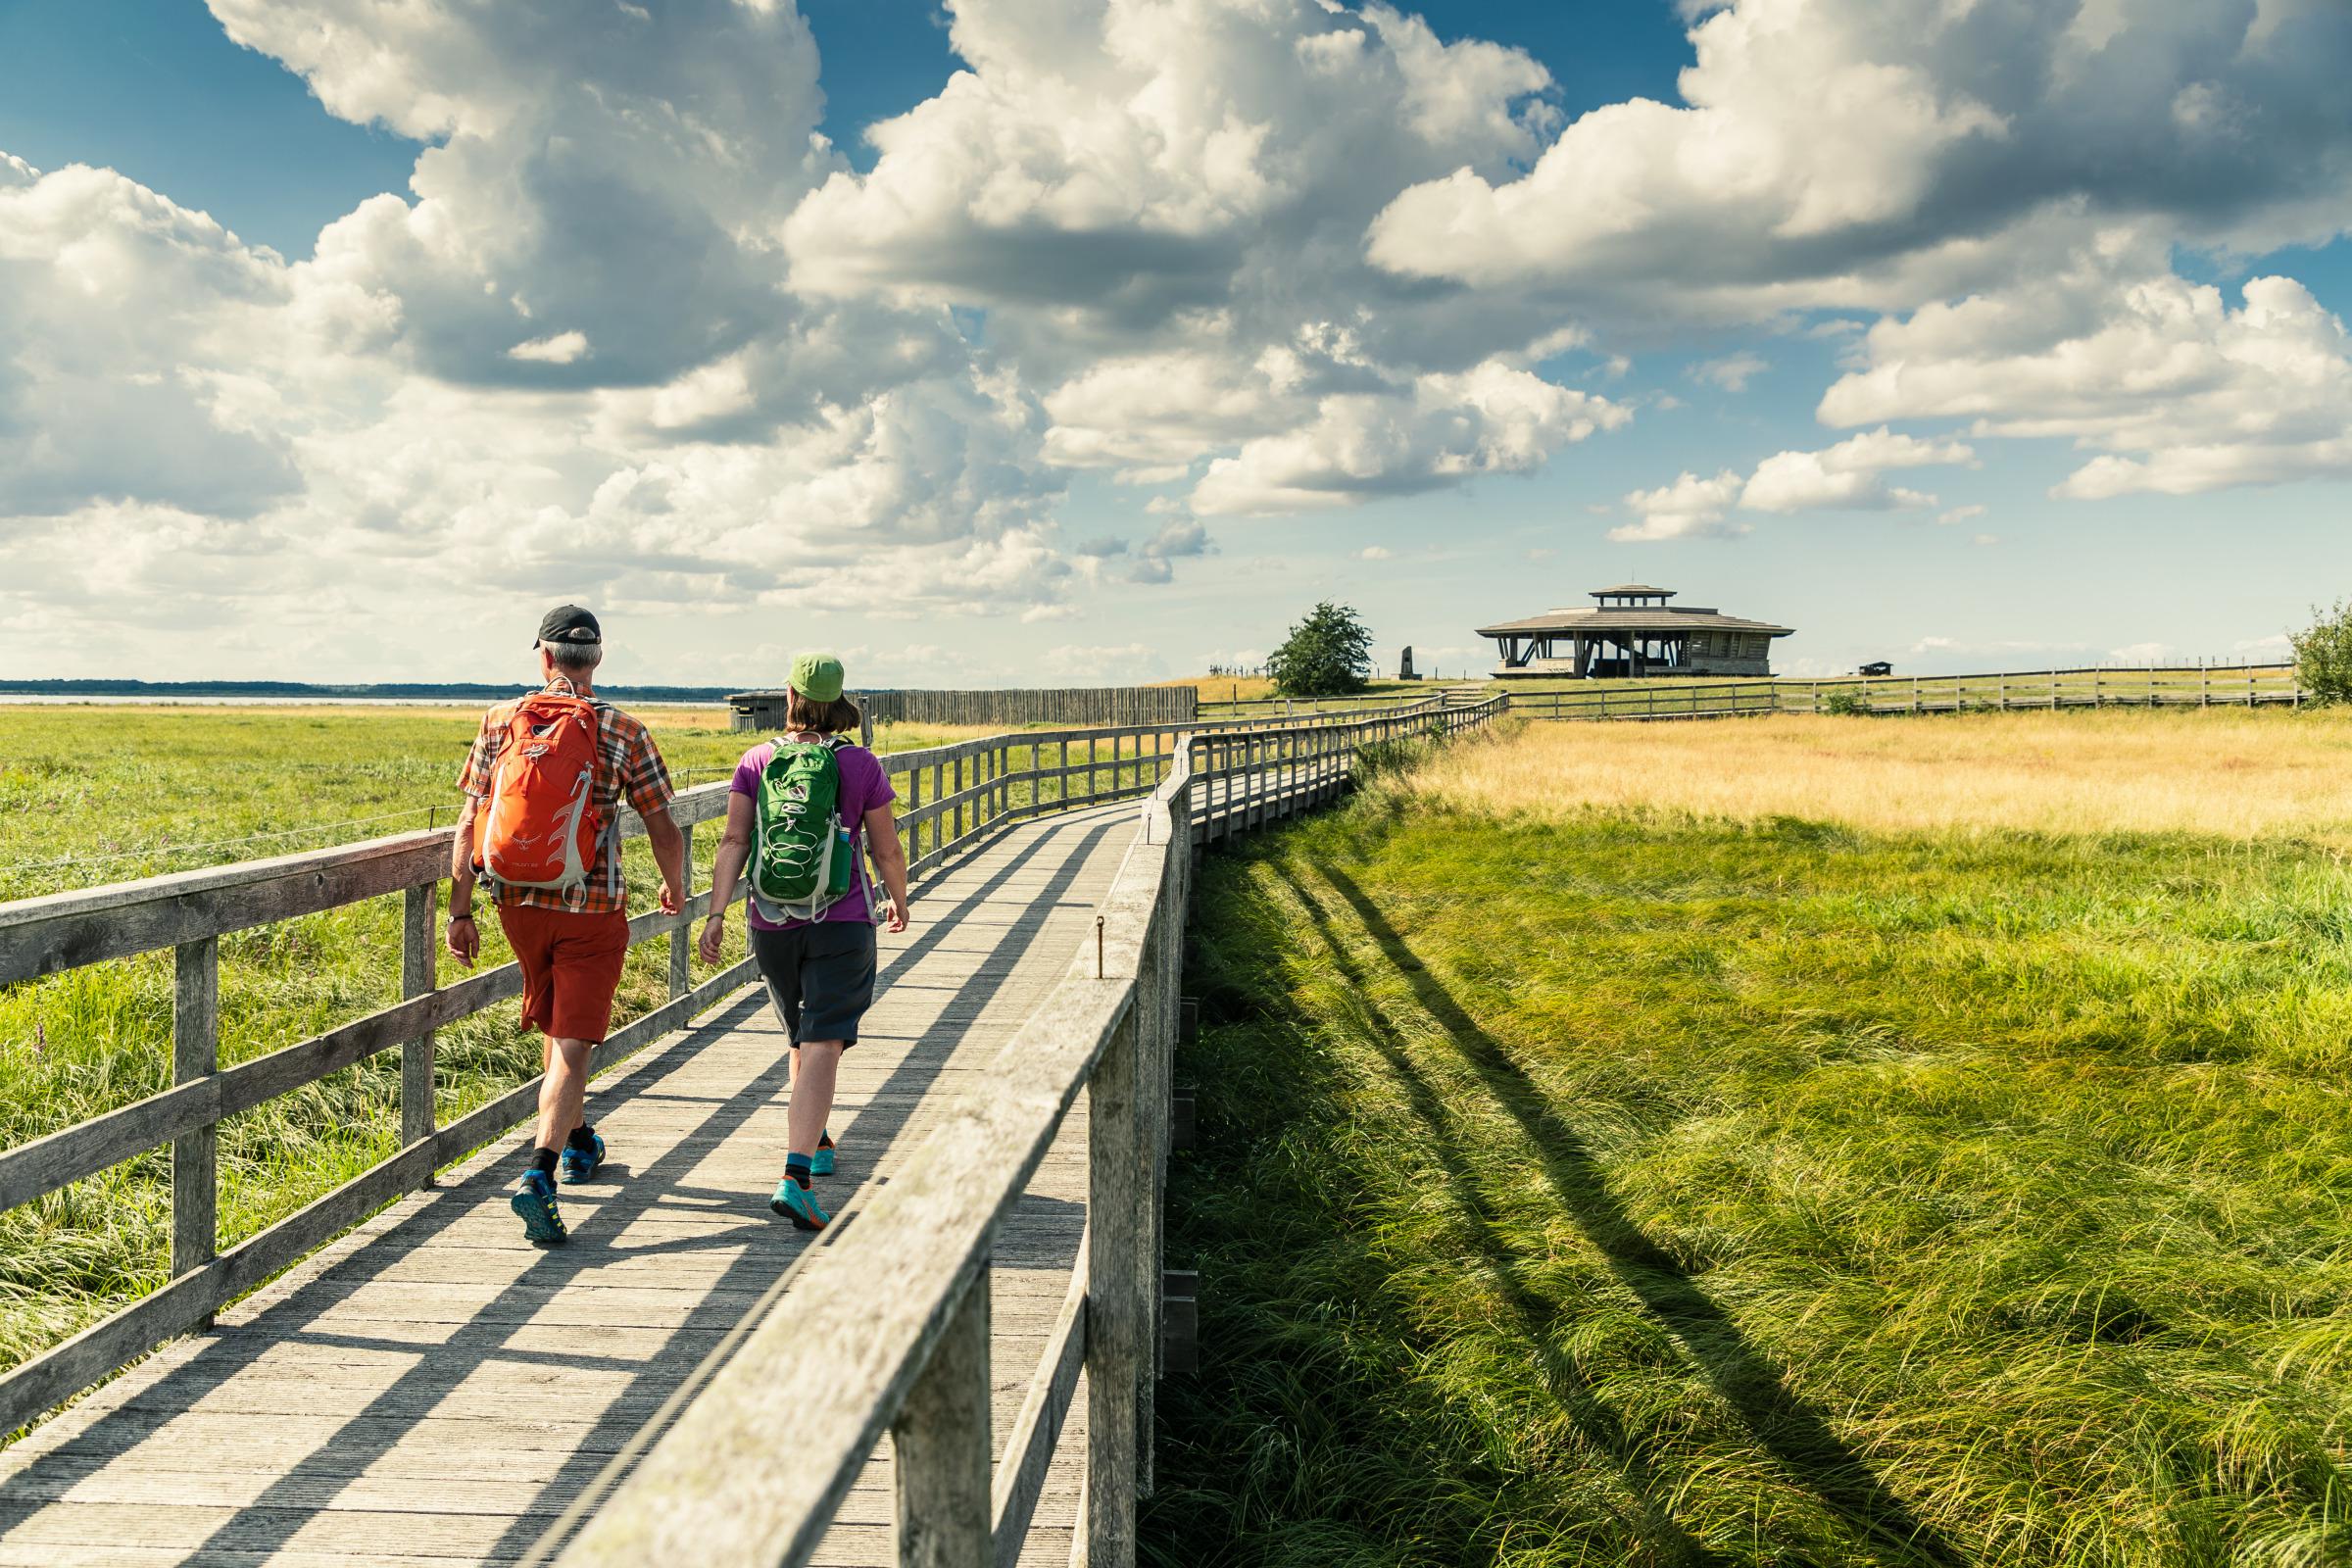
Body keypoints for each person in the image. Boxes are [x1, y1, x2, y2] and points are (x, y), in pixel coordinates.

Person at [446, 605, 688, 1246]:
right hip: (591, 907)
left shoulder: (501, 722)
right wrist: (675, 882)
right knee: (575, 1039)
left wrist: (459, 908)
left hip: (515, 905)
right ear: (597, 660)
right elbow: (663, 824)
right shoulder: (622, 730)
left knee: (558, 1025)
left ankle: (579, 1140)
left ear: (544, 657)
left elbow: (470, 824)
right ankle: (539, 1174)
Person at [699, 653, 909, 1230]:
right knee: (823, 1041)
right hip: (841, 920)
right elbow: (886, 847)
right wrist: (898, 896)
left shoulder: (757, 759)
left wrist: (716, 913)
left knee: (800, 1031)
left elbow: (734, 840)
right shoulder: (860, 764)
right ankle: (796, 1176)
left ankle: (815, 1140)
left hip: (771, 919)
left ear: (788, 696)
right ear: (841, 701)